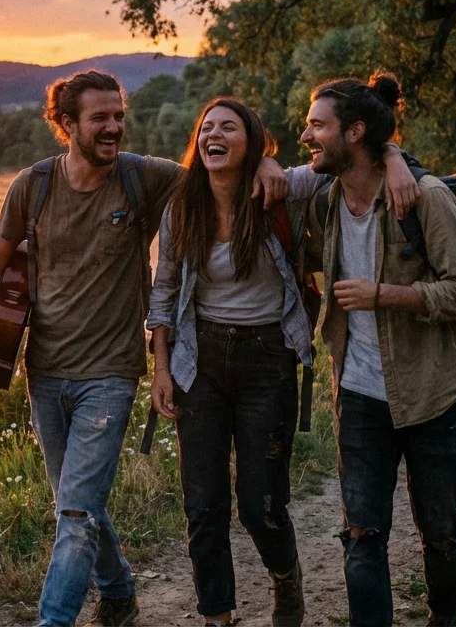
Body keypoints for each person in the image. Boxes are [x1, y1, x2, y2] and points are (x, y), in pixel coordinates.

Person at [0, 70, 288, 627]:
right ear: (67, 124)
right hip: (45, 371)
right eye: (100, 118)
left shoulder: (143, 178)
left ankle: (54, 620)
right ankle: (117, 592)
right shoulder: (32, 185)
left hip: (112, 374)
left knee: (75, 510)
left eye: (119, 116)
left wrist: (265, 162)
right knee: (77, 502)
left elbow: (214, 171)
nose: (114, 127)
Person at [146, 98, 418, 627]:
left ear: (251, 141)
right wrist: (161, 368)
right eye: (207, 128)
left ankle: (285, 576)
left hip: (268, 361)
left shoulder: (283, 190)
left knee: (261, 505)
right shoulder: (183, 205)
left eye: (229, 127)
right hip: (199, 361)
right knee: (202, 504)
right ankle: (217, 616)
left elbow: (352, 161)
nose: (214, 135)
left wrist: (395, 159)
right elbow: (164, 293)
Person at [301, 73, 456, 627]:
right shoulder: (326, 201)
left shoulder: (425, 197)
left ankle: (444, 619)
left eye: (316, 126)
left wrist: (384, 295)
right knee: (361, 534)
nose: (305, 136)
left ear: (355, 132)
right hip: (359, 396)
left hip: (436, 393)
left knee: (440, 531)